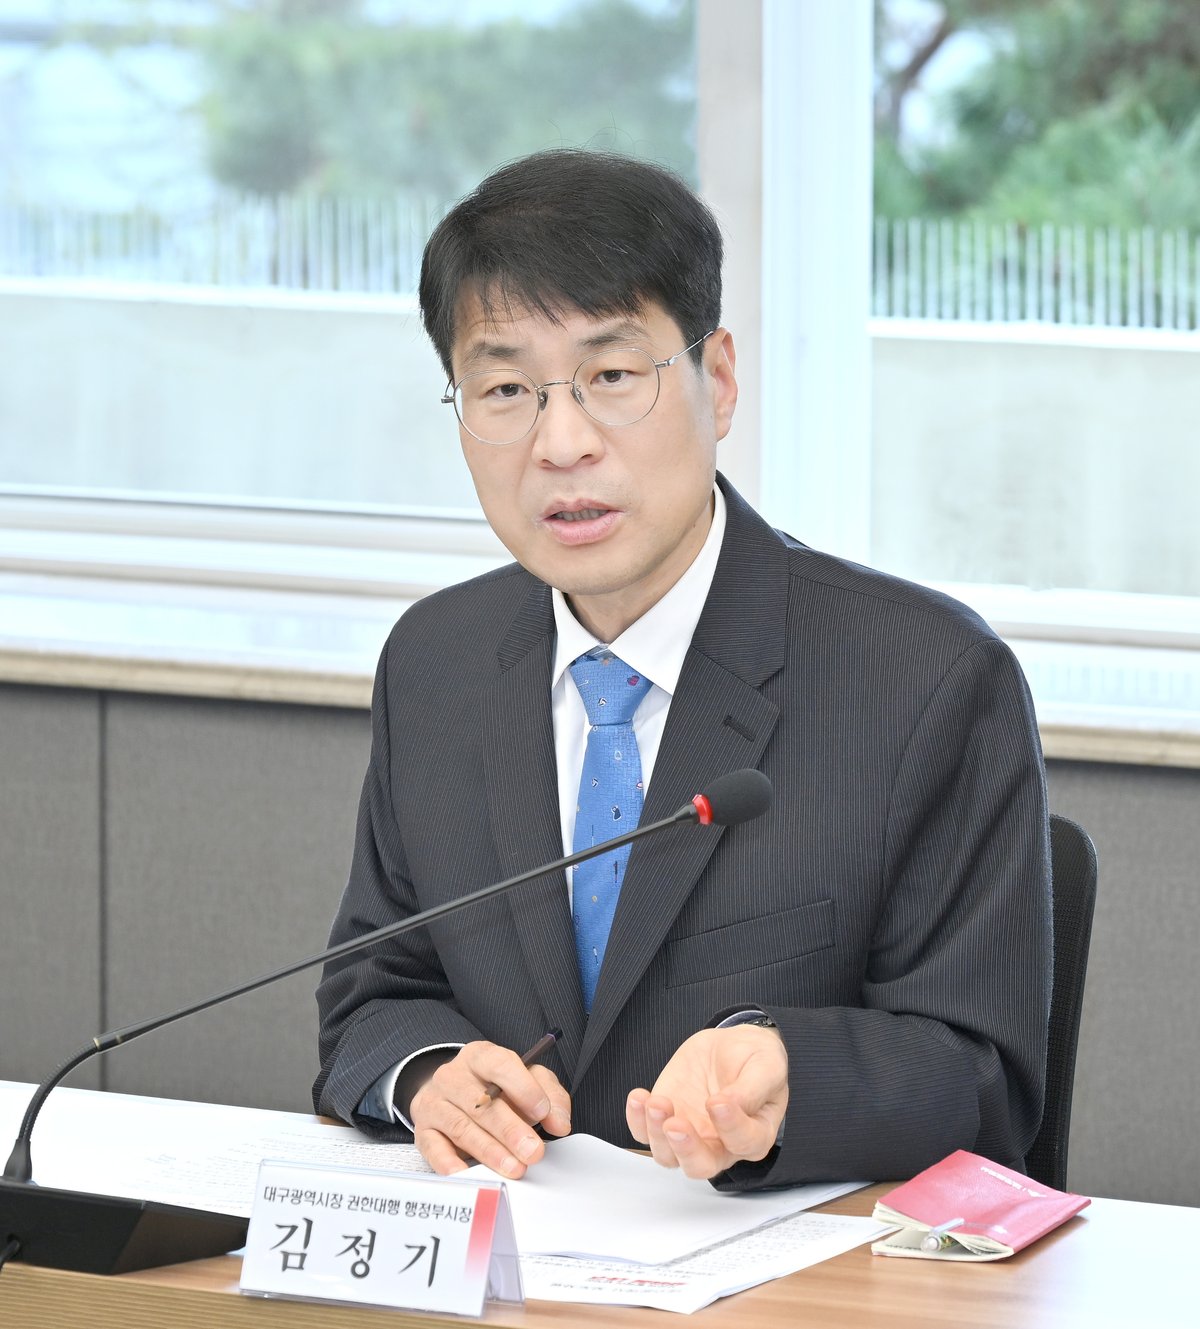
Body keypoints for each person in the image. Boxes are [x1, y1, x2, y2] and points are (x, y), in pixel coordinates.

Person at [314, 149, 1050, 1193]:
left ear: (720, 381)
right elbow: (371, 993)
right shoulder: (437, 659)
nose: (562, 442)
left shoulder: (927, 680)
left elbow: (986, 1081)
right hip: (501, 1253)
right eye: (507, 388)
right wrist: (429, 1073)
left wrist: (790, 1073)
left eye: (613, 377)